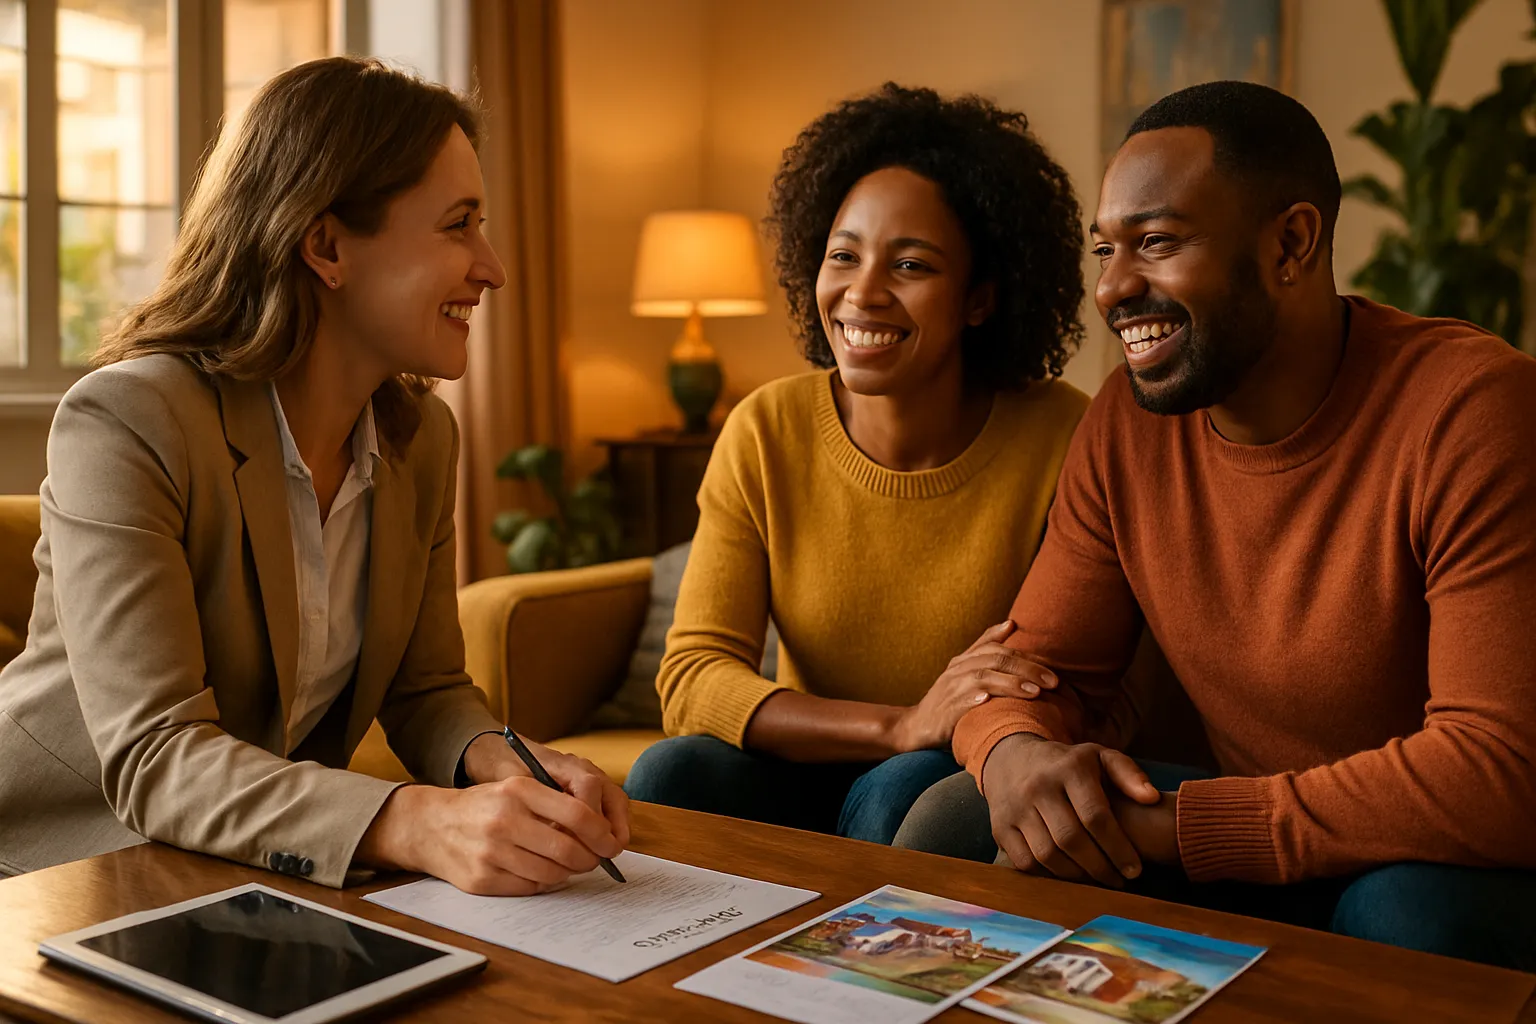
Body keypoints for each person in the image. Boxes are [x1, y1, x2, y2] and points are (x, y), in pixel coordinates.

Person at [894, 81, 1536, 970]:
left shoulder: (1473, 410)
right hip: (1244, 831)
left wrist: (1184, 827)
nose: (1114, 288)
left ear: (1291, 244)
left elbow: (1499, 771)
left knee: (1405, 913)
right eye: (1107, 250)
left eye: (1156, 243)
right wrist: (1011, 752)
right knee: (956, 809)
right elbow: (1026, 672)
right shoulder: (1127, 420)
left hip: (1441, 851)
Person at [0, 57, 629, 895]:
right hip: (64, 867)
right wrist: (410, 819)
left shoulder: (422, 441)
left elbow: (427, 688)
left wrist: (509, 766)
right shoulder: (127, 421)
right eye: (459, 225)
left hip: (249, 866)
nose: (494, 268)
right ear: (327, 245)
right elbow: (155, 754)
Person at [623, 84, 1089, 844]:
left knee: (907, 787)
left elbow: (1043, 679)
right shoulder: (765, 430)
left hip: (953, 775)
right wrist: (897, 724)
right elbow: (694, 677)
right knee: (669, 773)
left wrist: (923, 738)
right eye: (844, 255)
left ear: (979, 299)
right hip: (814, 757)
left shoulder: (1062, 435)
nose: (862, 292)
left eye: (910, 265)